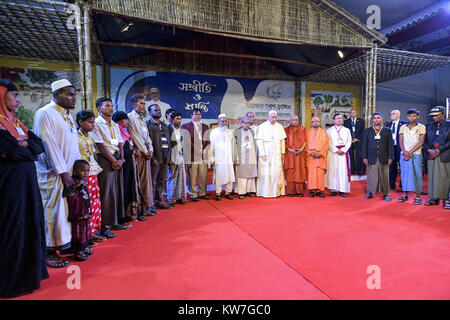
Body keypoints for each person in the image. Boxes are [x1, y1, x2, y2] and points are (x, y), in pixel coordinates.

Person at [0, 79, 49, 297]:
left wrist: (25, 144)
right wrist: (24, 147)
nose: (19, 100)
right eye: (14, 96)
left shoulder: (17, 124)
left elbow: (39, 146)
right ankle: (12, 281)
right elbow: (16, 152)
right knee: (13, 226)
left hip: (27, 184)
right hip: (9, 186)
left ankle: (29, 274)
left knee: (30, 222)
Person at [33, 79, 81, 268]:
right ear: (55, 95)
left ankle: (64, 245)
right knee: (53, 213)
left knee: (67, 213)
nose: (72, 98)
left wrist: (76, 171)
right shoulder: (45, 113)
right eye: (68, 94)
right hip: (54, 174)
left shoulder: (67, 115)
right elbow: (47, 145)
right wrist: (63, 172)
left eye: (74, 94)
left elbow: (72, 146)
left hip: (69, 173)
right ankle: (49, 251)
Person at [91, 97, 127, 239]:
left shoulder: (114, 124)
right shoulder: (97, 123)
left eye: (112, 106)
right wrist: (113, 160)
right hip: (105, 160)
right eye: (107, 106)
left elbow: (120, 143)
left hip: (117, 159)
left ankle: (115, 221)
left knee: (117, 190)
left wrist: (121, 158)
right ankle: (104, 226)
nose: (111, 108)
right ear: (99, 108)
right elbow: (100, 145)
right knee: (106, 193)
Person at [76, 110, 106, 243]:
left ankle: (94, 231)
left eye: (93, 122)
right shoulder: (75, 137)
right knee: (85, 205)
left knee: (95, 203)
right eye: (90, 122)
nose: (93, 125)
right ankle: (86, 234)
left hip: (93, 172)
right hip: (83, 175)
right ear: (80, 122)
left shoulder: (89, 136)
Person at [112, 111, 147, 221]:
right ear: (120, 121)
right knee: (125, 187)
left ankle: (135, 212)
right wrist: (132, 152)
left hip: (131, 165)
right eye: (126, 120)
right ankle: (125, 215)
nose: (127, 122)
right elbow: (118, 150)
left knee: (133, 185)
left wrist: (135, 151)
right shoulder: (116, 132)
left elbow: (129, 148)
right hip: (124, 167)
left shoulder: (125, 133)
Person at [127, 94, 156, 216]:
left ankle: (147, 205)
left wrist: (151, 150)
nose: (143, 106)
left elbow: (147, 137)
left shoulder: (142, 118)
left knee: (147, 182)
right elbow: (135, 137)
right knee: (139, 182)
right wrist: (145, 151)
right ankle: (140, 209)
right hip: (139, 154)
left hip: (146, 154)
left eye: (144, 103)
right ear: (134, 104)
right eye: (141, 103)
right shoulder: (130, 117)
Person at [63, 160, 93, 261]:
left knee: (85, 230)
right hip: (77, 213)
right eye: (83, 171)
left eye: (88, 171)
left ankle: (85, 247)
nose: (86, 173)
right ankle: (78, 251)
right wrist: (76, 185)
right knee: (78, 232)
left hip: (85, 211)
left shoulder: (84, 181)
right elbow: (65, 194)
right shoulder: (72, 181)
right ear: (75, 171)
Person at [362, 112, 394, 201]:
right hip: (371, 157)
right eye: (375, 118)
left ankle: (386, 194)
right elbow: (364, 145)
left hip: (384, 157)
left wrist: (390, 157)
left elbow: (390, 145)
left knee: (385, 176)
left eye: (378, 117)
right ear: (372, 120)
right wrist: (364, 157)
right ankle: (370, 192)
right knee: (371, 176)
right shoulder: (367, 130)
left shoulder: (387, 130)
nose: (376, 119)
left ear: (382, 119)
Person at [255, 110, 287, 198]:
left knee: (277, 172)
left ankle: (276, 192)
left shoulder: (280, 127)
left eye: (276, 117)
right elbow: (259, 141)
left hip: (277, 153)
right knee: (266, 172)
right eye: (273, 117)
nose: (274, 119)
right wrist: (262, 153)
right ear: (268, 117)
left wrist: (283, 152)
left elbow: (282, 141)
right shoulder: (261, 126)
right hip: (265, 154)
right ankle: (265, 192)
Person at [181, 108, 211, 201]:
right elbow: (187, 141)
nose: (198, 116)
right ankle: (193, 194)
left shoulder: (205, 126)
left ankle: (202, 193)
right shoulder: (185, 126)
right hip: (192, 155)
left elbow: (208, 140)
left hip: (203, 155)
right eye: (196, 114)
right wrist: (198, 149)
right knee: (192, 177)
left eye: (199, 114)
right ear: (192, 116)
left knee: (203, 175)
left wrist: (205, 149)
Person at [397, 108, 426, 204]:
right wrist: (404, 152)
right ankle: (405, 194)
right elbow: (400, 141)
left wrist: (410, 153)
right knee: (404, 174)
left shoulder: (421, 127)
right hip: (403, 154)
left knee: (416, 174)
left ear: (418, 117)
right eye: (409, 116)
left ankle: (418, 196)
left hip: (416, 154)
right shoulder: (402, 127)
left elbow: (421, 142)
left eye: (414, 116)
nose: (411, 117)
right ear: (407, 116)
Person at [147, 103, 172, 209]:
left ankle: (158, 201)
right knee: (152, 181)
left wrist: (169, 157)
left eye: (159, 110)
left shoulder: (164, 125)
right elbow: (147, 142)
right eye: (155, 110)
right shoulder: (148, 124)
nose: (158, 111)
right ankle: (150, 203)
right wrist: (152, 158)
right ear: (150, 112)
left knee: (162, 181)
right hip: (155, 158)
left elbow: (169, 142)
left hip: (165, 157)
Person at [424, 106, 449, 209]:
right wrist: (429, 149)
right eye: (432, 116)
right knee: (433, 178)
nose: (434, 118)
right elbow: (424, 141)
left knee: (446, 178)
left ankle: (446, 199)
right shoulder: (429, 126)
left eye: (436, 115)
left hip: (445, 154)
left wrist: (439, 150)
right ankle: (434, 198)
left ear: (443, 114)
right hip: (431, 155)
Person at [209, 114, 236, 200]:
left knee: (229, 174)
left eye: (225, 121)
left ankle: (228, 192)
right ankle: (218, 193)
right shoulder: (214, 132)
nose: (224, 123)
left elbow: (233, 145)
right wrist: (212, 158)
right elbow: (211, 147)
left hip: (228, 158)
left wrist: (234, 157)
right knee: (219, 175)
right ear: (218, 122)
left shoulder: (230, 132)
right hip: (219, 158)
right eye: (222, 121)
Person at [325, 113, 352, 197]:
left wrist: (343, 150)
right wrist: (336, 150)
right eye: (337, 118)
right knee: (333, 171)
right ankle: (333, 189)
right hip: (332, 153)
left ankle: (342, 190)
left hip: (343, 154)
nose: (340, 119)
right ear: (333, 120)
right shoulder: (329, 130)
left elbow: (349, 141)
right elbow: (327, 142)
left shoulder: (347, 130)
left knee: (342, 171)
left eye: (341, 118)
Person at [234, 116, 257, 199]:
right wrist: (235, 158)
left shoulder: (252, 131)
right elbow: (234, 146)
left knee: (250, 175)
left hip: (251, 156)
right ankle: (241, 192)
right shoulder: (237, 131)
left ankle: (249, 191)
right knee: (242, 175)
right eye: (246, 123)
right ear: (242, 123)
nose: (248, 125)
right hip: (241, 156)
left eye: (249, 123)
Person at [167, 112, 187, 205]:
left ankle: (180, 198)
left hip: (180, 155)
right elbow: (167, 144)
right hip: (172, 156)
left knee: (181, 178)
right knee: (172, 177)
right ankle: (170, 198)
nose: (179, 120)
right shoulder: (168, 129)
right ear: (172, 119)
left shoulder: (182, 130)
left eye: (180, 119)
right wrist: (169, 157)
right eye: (177, 119)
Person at [305, 117, 329, 198]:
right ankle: (311, 190)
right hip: (311, 157)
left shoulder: (324, 133)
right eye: (314, 121)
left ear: (320, 123)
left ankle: (319, 191)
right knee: (311, 175)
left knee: (320, 175)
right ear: (311, 123)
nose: (316, 123)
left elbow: (326, 145)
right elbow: (305, 145)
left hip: (320, 157)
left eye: (318, 121)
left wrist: (321, 153)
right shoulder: (307, 133)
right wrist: (310, 153)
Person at [284, 114, 307, 197]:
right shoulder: (286, 130)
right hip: (290, 154)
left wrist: (300, 149)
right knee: (290, 173)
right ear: (290, 121)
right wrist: (291, 150)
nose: (294, 121)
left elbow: (305, 140)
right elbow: (284, 142)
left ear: (298, 121)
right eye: (293, 119)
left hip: (300, 154)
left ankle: (299, 191)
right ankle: (290, 192)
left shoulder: (302, 128)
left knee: (300, 172)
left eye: (296, 119)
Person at [386, 109, 408, 190]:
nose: (391, 115)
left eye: (394, 113)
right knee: (392, 167)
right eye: (391, 114)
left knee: (403, 167)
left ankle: (403, 185)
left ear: (399, 115)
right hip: (391, 149)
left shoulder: (405, 124)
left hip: (401, 148)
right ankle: (391, 184)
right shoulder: (388, 125)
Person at [343, 109, 365, 175]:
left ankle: (358, 170)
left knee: (359, 156)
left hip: (358, 141)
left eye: (354, 112)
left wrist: (357, 139)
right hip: (349, 141)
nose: (352, 113)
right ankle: (352, 170)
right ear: (349, 114)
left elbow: (363, 131)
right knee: (350, 156)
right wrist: (349, 139)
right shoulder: (346, 122)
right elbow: (345, 132)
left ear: (356, 113)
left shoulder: (361, 121)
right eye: (351, 112)